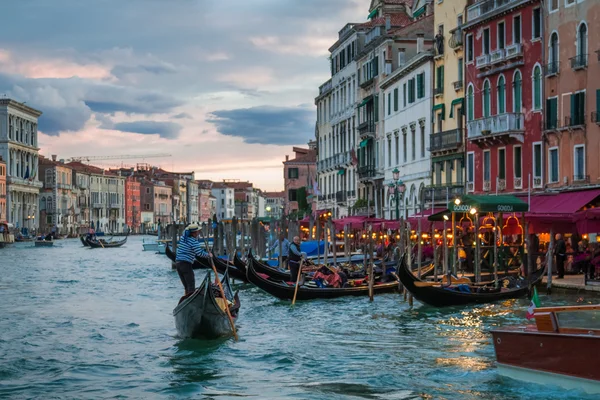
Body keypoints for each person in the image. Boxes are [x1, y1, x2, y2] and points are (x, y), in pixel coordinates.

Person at [175, 224, 212, 297]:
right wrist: (208, 255)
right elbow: (199, 253)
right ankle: (191, 302)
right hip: (185, 264)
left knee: (186, 286)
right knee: (191, 286)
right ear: (194, 233)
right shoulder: (193, 241)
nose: (198, 233)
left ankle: (186, 299)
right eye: (197, 231)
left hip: (178, 264)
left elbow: (185, 231)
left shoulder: (183, 238)